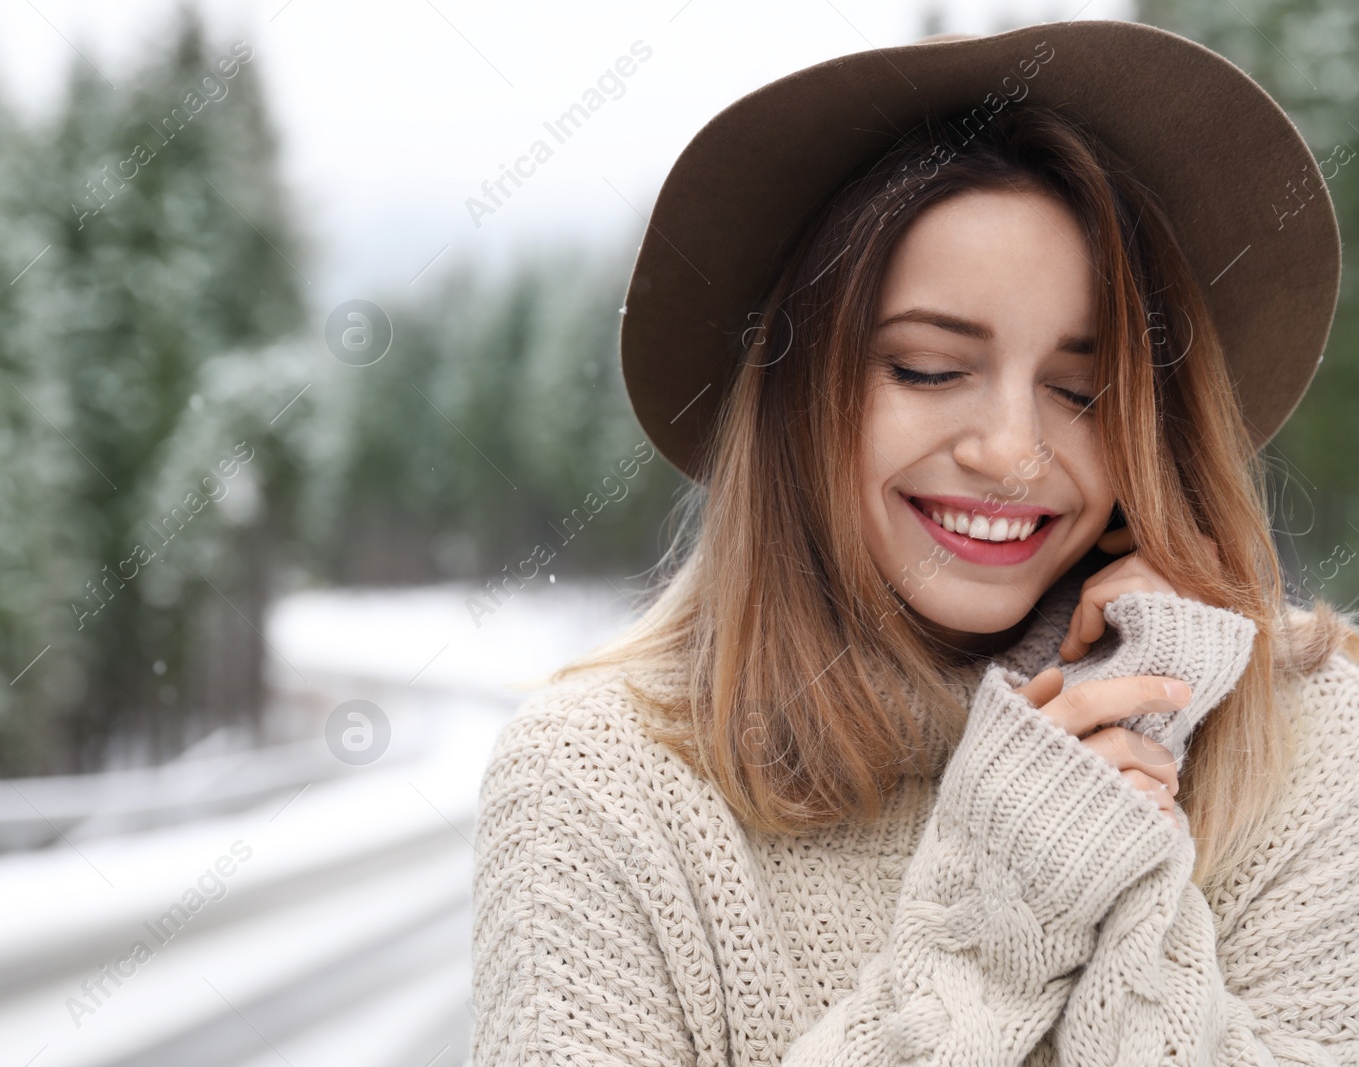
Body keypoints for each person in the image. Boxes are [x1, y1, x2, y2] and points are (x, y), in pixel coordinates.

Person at [468, 20, 1359, 1067]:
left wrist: (1135, 830)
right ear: (791, 392)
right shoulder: (600, 778)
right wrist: (991, 929)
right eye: (929, 369)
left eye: (1081, 390)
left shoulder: (1304, 741)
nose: (1013, 451)